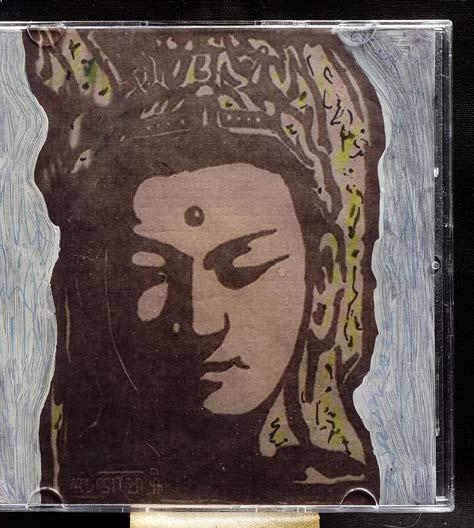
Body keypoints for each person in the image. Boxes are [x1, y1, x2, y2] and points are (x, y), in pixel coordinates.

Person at [24, 27, 385, 505]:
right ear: (98, 291)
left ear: (323, 281)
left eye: (243, 268)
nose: (199, 320)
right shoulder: (86, 482)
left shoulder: (344, 498)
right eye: (152, 273)